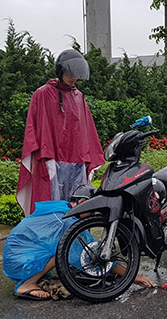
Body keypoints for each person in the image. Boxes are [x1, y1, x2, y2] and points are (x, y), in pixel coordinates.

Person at [3, 185, 156, 301]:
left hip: (17, 258)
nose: (94, 215)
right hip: (20, 262)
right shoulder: (66, 221)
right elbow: (88, 252)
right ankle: (27, 285)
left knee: (64, 252)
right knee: (61, 251)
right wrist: (133, 276)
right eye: (92, 210)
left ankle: (33, 277)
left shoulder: (63, 209)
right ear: (82, 202)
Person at [16, 49, 105, 216]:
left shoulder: (79, 96)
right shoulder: (43, 94)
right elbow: (39, 127)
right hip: (51, 161)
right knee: (52, 207)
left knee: (77, 208)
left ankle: (76, 241)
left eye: (76, 74)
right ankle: (52, 241)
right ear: (60, 71)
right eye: (70, 72)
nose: (74, 77)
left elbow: (86, 132)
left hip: (76, 162)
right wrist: (47, 156)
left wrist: (87, 159)